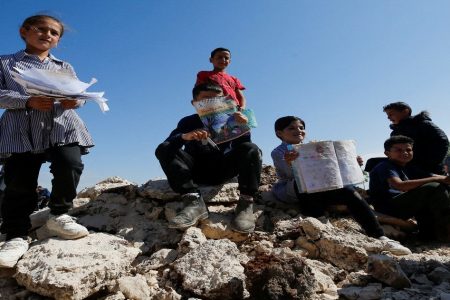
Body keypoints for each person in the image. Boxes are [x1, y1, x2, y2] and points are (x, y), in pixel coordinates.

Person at [0, 15, 92, 268]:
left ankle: (59, 214)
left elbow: (78, 93)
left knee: (70, 163)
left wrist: (77, 101)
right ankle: (16, 236)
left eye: (54, 33)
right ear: (24, 31)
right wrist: (26, 101)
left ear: (58, 40)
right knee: (19, 180)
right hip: (21, 129)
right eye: (41, 29)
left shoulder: (64, 66)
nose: (47, 35)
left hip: (61, 125)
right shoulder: (5, 62)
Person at [271, 116, 411, 255]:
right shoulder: (279, 152)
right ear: (279, 133)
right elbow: (289, 174)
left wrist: (351, 162)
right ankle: (319, 221)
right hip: (294, 189)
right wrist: (290, 162)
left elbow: (330, 168)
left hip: (322, 187)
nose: (299, 130)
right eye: (292, 128)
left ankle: (379, 235)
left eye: (301, 128)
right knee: (304, 181)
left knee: (349, 191)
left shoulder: (313, 148)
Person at [155, 83, 261, 233]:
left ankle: (246, 203)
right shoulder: (188, 121)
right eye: (206, 99)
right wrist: (186, 136)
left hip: (222, 169)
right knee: (164, 148)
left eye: (216, 99)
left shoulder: (231, 119)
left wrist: (242, 128)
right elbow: (168, 143)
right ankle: (193, 200)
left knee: (252, 149)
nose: (211, 103)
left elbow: (244, 149)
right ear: (194, 103)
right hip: (194, 170)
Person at [369, 135, 450, 242]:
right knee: (433, 187)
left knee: (441, 187)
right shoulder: (385, 166)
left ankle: (429, 234)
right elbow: (400, 185)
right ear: (387, 153)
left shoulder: (408, 167)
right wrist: (437, 179)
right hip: (388, 207)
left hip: (403, 205)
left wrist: (445, 179)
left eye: (408, 150)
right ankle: (446, 233)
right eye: (399, 150)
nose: (405, 153)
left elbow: (434, 176)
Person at [383, 101, 449, 174]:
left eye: (391, 114)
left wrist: (429, 162)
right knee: (374, 163)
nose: (388, 117)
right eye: (388, 115)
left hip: (428, 168)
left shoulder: (422, 124)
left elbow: (442, 141)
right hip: (407, 165)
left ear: (405, 111)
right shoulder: (395, 132)